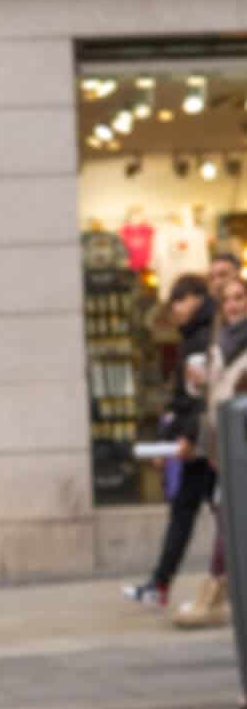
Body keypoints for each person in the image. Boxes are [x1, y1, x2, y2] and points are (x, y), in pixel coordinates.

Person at [124, 272, 215, 608]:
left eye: (181, 300)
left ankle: (164, 585)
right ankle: (160, 584)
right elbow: (183, 399)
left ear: (197, 299)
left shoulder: (201, 338)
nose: (175, 308)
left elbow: (199, 399)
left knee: (201, 514)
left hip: (205, 444)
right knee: (189, 512)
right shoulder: (194, 337)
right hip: (201, 441)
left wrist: (187, 437)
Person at [172, 268, 247, 630]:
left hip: (242, 445)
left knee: (228, 518)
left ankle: (215, 592)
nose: (233, 305)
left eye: (240, 298)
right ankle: (218, 591)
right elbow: (215, 400)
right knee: (224, 515)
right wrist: (201, 384)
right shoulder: (220, 344)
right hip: (224, 448)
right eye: (227, 300)